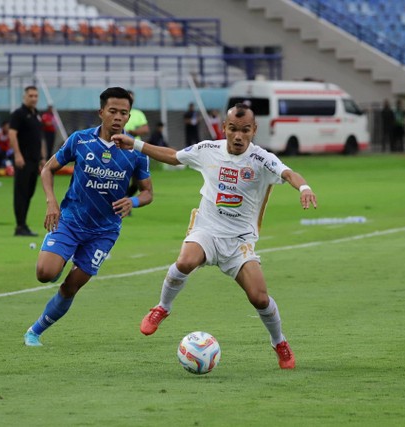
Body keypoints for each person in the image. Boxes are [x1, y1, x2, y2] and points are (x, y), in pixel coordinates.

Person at [112, 103, 318, 369]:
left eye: (245, 130)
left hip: (240, 241)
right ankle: (162, 307)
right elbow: (174, 156)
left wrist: (304, 187)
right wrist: (136, 145)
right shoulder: (207, 150)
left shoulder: (262, 159)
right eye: (233, 129)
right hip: (207, 230)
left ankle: (279, 342)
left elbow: (288, 173)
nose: (238, 136)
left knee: (259, 298)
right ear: (224, 128)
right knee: (185, 261)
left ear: (254, 130)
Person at [23, 87, 153, 347]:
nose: (118, 117)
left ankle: (34, 331)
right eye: (113, 111)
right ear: (101, 112)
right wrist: (51, 203)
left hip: (104, 231)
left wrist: (134, 201)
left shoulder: (135, 151)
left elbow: (148, 192)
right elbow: (48, 169)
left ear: (129, 117)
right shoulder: (80, 140)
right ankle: (59, 258)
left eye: (123, 113)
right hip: (70, 219)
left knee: (72, 286)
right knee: (44, 273)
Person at [9, 86, 45, 237]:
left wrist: (43, 158)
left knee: (29, 192)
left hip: (35, 160)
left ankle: (24, 224)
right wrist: (17, 155)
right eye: (31, 95)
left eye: (36, 96)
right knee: (21, 192)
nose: (34, 98)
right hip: (23, 160)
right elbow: (12, 134)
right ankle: (20, 225)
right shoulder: (18, 114)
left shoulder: (36, 115)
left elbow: (39, 138)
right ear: (25, 97)